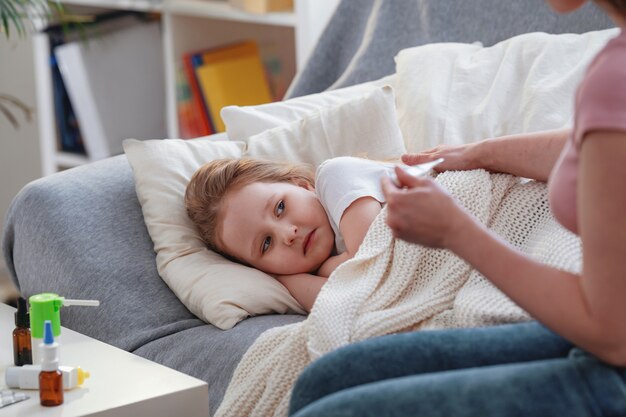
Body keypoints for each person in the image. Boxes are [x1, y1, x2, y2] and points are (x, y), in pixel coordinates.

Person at [288, 1, 626, 416]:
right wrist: (474, 153)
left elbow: (611, 334)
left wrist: (455, 231)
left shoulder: (613, 77)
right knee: (321, 382)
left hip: (613, 353)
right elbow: (591, 145)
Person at [184, 156, 394, 312]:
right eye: (266, 244)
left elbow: (370, 264)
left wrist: (325, 270)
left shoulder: (335, 177)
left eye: (280, 207)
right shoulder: (317, 267)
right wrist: (284, 280)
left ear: (302, 185)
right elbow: (349, 305)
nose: (288, 234)